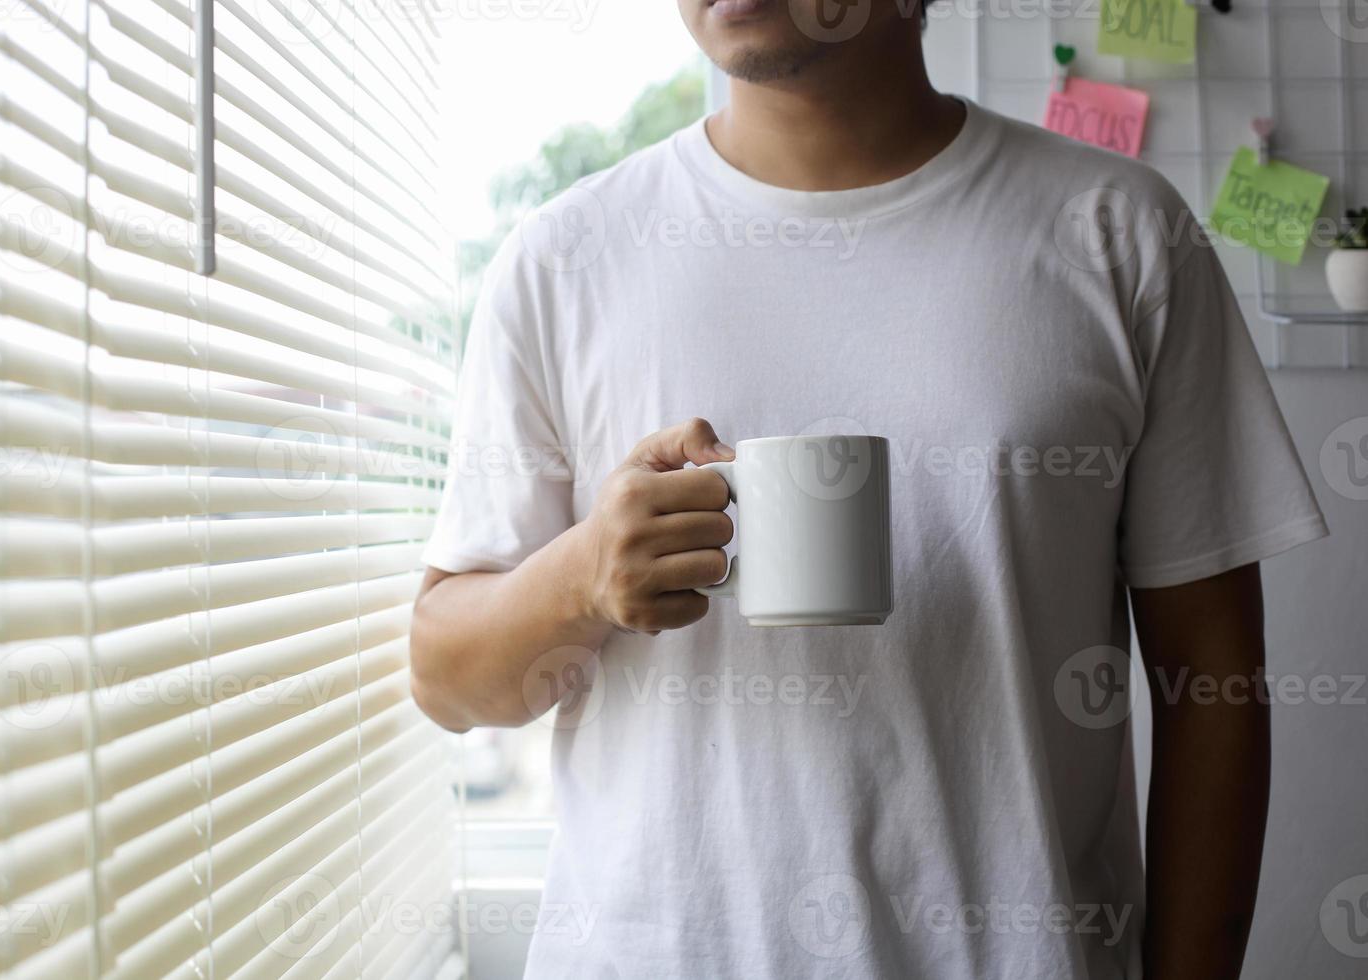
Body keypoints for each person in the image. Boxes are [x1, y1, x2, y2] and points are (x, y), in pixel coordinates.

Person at [410, 0, 1328, 976]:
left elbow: (1215, 683)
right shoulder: (561, 261)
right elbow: (448, 681)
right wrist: (581, 576)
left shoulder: (1121, 234)